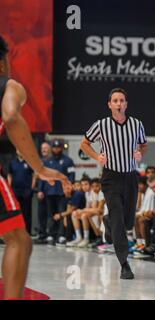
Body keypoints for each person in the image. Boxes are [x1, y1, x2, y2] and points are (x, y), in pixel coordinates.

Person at [0, 34, 69, 299]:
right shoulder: (10, 85)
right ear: (5, 61)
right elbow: (10, 115)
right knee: (20, 241)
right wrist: (39, 168)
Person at [80, 87, 147, 280]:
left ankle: (107, 221)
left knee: (127, 221)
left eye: (122, 100)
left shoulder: (136, 124)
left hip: (130, 176)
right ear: (109, 104)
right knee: (118, 219)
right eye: (115, 100)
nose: (119, 103)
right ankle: (124, 264)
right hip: (111, 177)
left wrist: (140, 152)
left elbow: (143, 144)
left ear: (126, 104)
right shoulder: (101, 125)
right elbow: (85, 143)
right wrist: (96, 156)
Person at [38, 139, 75, 245]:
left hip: (62, 193)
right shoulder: (47, 161)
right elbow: (42, 177)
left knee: (61, 214)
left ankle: (61, 235)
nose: (56, 149)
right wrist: (40, 190)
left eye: (58, 147)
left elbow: (71, 176)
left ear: (61, 148)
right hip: (49, 192)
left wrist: (69, 188)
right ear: (52, 148)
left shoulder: (68, 161)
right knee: (50, 214)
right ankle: (51, 234)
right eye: (54, 147)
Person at [7, 150, 35, 234]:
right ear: (16, 151)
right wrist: (9, 187)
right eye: (18, 149)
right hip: (15, 190)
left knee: (26, 212)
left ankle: (27, 232)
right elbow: (9, 175)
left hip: (26, 190)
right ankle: (15, 232)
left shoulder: (29, 162)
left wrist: (31, 188)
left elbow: (34, 175)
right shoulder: (12, 162)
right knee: (15, 213)